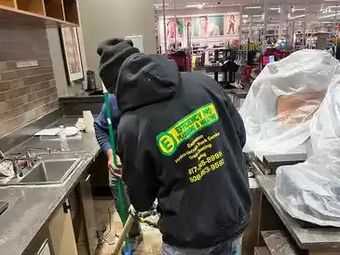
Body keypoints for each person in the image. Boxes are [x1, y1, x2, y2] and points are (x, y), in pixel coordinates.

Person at [96, 38, 251, 254]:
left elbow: (141, 201)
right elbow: (240, 137)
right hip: (232, 215)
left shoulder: (131, 127)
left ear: (116, 86)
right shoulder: (204, 84)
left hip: (187, 236)